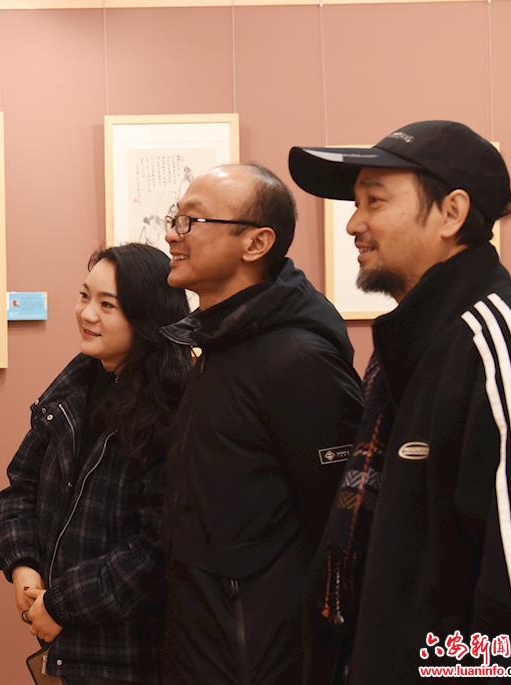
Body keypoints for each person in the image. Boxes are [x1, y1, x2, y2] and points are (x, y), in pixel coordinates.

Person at [289, 120, 511, 683]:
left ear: (451, 213)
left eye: (374, 201)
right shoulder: (404, 348)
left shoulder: (503, 337)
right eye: (356, 204)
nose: (353, 224)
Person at [158, 163, 363, 685]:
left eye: (192, 221)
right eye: (175, 219)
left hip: (262, 654)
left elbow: (339, 524)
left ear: (256, 243)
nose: (173, 234)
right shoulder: (220, 344)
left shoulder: (298, 359)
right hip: (205, 643)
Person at [0, 243, 191, 685]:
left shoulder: (173, 408)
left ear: (146, 316)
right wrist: (22, 565)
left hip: (130, 654)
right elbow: (20, 486)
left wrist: (61, 605)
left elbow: (156, 551)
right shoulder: (74, 387)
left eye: (107, 305)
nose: (86, 314)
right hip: (66, 650)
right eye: (84, 296)